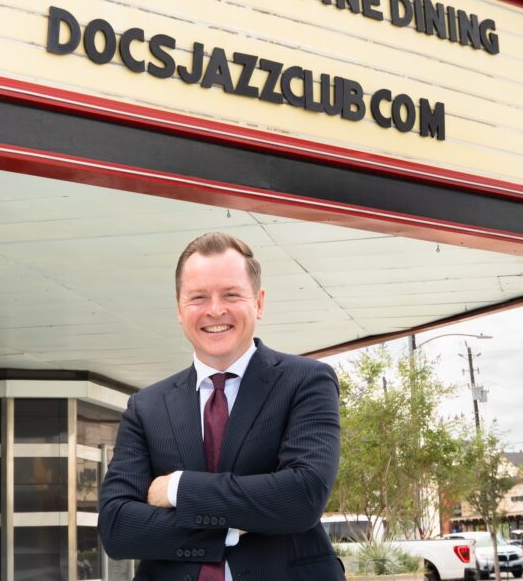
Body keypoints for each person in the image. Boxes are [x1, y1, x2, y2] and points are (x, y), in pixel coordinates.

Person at [97, 232, 345, 580]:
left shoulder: (307, 381)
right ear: (179, 310)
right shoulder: (146, 406)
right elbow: (117, 528)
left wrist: (177, 489)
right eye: (198, 297)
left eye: (231, 294)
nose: (215, 310)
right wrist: (226, 529)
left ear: (258, 302)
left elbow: (301, 496)